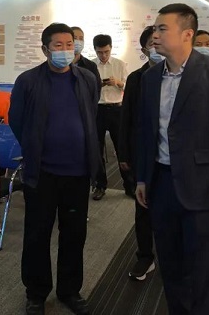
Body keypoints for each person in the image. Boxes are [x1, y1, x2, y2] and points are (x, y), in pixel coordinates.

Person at [136, 3, 209, 315]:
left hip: (203, 186)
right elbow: (146, 131)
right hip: (161, 183)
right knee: (171, 264)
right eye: (155, 29)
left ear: (187, 34)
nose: (155, 35)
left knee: (203, 268)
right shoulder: (151, 77)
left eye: (162, 29)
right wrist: (143, 177)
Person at [9, 23, 102, 315]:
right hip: (42, 174)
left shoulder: (87, 78)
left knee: (74, 234)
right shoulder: (28, 80)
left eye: (69, 44)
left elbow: (91, 113)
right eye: (58, 45)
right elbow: (17, 120)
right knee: (37, 235)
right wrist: (35, 146)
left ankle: (69, 290)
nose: (65, 50)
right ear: (45, 49)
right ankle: (36, 293)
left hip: (77, 173)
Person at [118, 26, 156, 281]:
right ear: (144, 49)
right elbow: (127, 117)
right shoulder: (136, 78)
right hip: (143, 154)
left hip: (175, 158)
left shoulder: (186, 75)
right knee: (143, 207)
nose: (159, 45)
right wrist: (124, 154)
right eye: (153, 42)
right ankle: (145, 255)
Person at [92, 34, 129, 200]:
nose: (103, 55)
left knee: (122, 148)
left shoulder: (120, 64)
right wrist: (98, 84)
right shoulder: (91, 66)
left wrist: (118, 83)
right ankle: (100, 185)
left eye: (106, 52)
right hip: (98, 110)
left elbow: (128, 87)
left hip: (116, 109)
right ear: (95, 50)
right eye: (100, 52)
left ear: (111, 48)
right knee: (97, 149)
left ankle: (129, 184)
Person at [71, 26, 101, 91]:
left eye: (81, 38)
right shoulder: (62, 64)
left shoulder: (91, 66)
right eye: (75, 38)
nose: (78, 41)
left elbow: (97, 89)